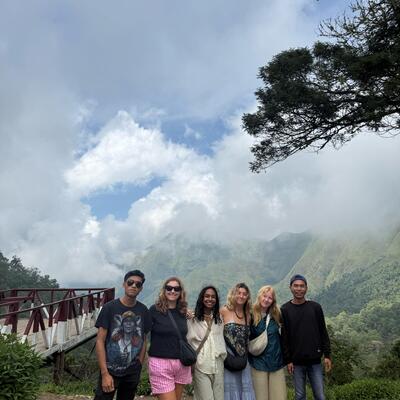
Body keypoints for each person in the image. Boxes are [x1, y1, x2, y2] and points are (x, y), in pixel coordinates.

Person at [94, 270, 151, 400]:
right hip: (110, 370)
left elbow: (143, 339)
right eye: (130, 282)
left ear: (141, 288)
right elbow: (100, 340)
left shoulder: (143, 310)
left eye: (138, 284)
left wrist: (139, 364)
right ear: (124, 284)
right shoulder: (109, 308)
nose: (133, 286)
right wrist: (104, 373)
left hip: (132, 371)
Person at [281, 274, 332, 400]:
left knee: (320, 395)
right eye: (296, 286)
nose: (299, 289)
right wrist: (288, 360)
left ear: (306, 288)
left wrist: (327, 355)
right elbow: (284, 337)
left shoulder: (315, 307)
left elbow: (323, 331)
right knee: (299, 396)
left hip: (315, 360)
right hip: (296, 362)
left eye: (302, 286)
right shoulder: (285, 309)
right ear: (290, 288)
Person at [148, 277, 192, 400]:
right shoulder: (154, 310)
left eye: (176, 289)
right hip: (160, 363)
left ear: (181, 291)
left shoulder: (183, 312)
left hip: (181, 363)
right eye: (169, 288)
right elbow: (143, 331)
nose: (172, 291)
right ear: (164, 290)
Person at [187, 285, 227, 400]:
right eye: (207, 296)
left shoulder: (219, 319)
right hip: (201, 363)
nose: (210, 299)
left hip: (218, 363)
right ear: (202, 298)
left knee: (219, 397)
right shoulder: (193, 319)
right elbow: (188, 340)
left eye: (213, 297)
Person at [249, 285, 287, 400]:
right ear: (259, 296)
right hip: (258, 363)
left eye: (270, 298)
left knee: (279, 396)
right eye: (264, 296)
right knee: (260, 396)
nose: (266, 299)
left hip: (276, 361)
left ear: (273, 300)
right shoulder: (251, 314)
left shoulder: (277, 314)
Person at [220, 282, 256, 400]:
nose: (241, 296)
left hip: (243, 359)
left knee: (244, 389)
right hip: (228, 357)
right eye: (238, 293)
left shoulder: (248, 315)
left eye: (244, 294)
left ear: (247, 297)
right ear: (233, 294)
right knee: (230, 390)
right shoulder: (224, 311)